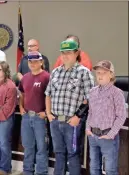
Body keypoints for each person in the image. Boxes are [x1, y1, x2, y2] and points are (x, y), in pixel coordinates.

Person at [45, 40, 94, 175]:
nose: (65, 56)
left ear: (76, 53)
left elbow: (90, 98)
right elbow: (48, 94)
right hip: (55, 121)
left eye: (68, 53)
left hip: (72, 122)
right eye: (63, 53)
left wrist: (78, 116)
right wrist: (49, 114)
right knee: (59, 153)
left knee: (73, 155)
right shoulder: (55, 72)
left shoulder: (84, 73)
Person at [86, 60, 127, 175]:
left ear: (111, 75)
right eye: (98, 73)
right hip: (93, 136)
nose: (100, 76)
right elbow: (91, 112)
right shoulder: (92, 91)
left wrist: (111, 134)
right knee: (94, 168)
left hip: (108, 136)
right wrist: (88, 128)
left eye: (103, 73)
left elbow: (121, 116)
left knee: (110, 170)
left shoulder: (117, 93)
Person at [18, 51, 50, 175]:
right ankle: (27, 171)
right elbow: (22, 93)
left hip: (40, 118)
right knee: (28, 146)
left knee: (42, 148)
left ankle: (41, 172)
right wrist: (21, 107)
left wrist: (46, 113)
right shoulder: (25, 77)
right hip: (26, 117)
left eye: (35, 61)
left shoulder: (47, 77)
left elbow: (51, 96)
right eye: (30, 61)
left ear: (41, 62)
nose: (32, 63)